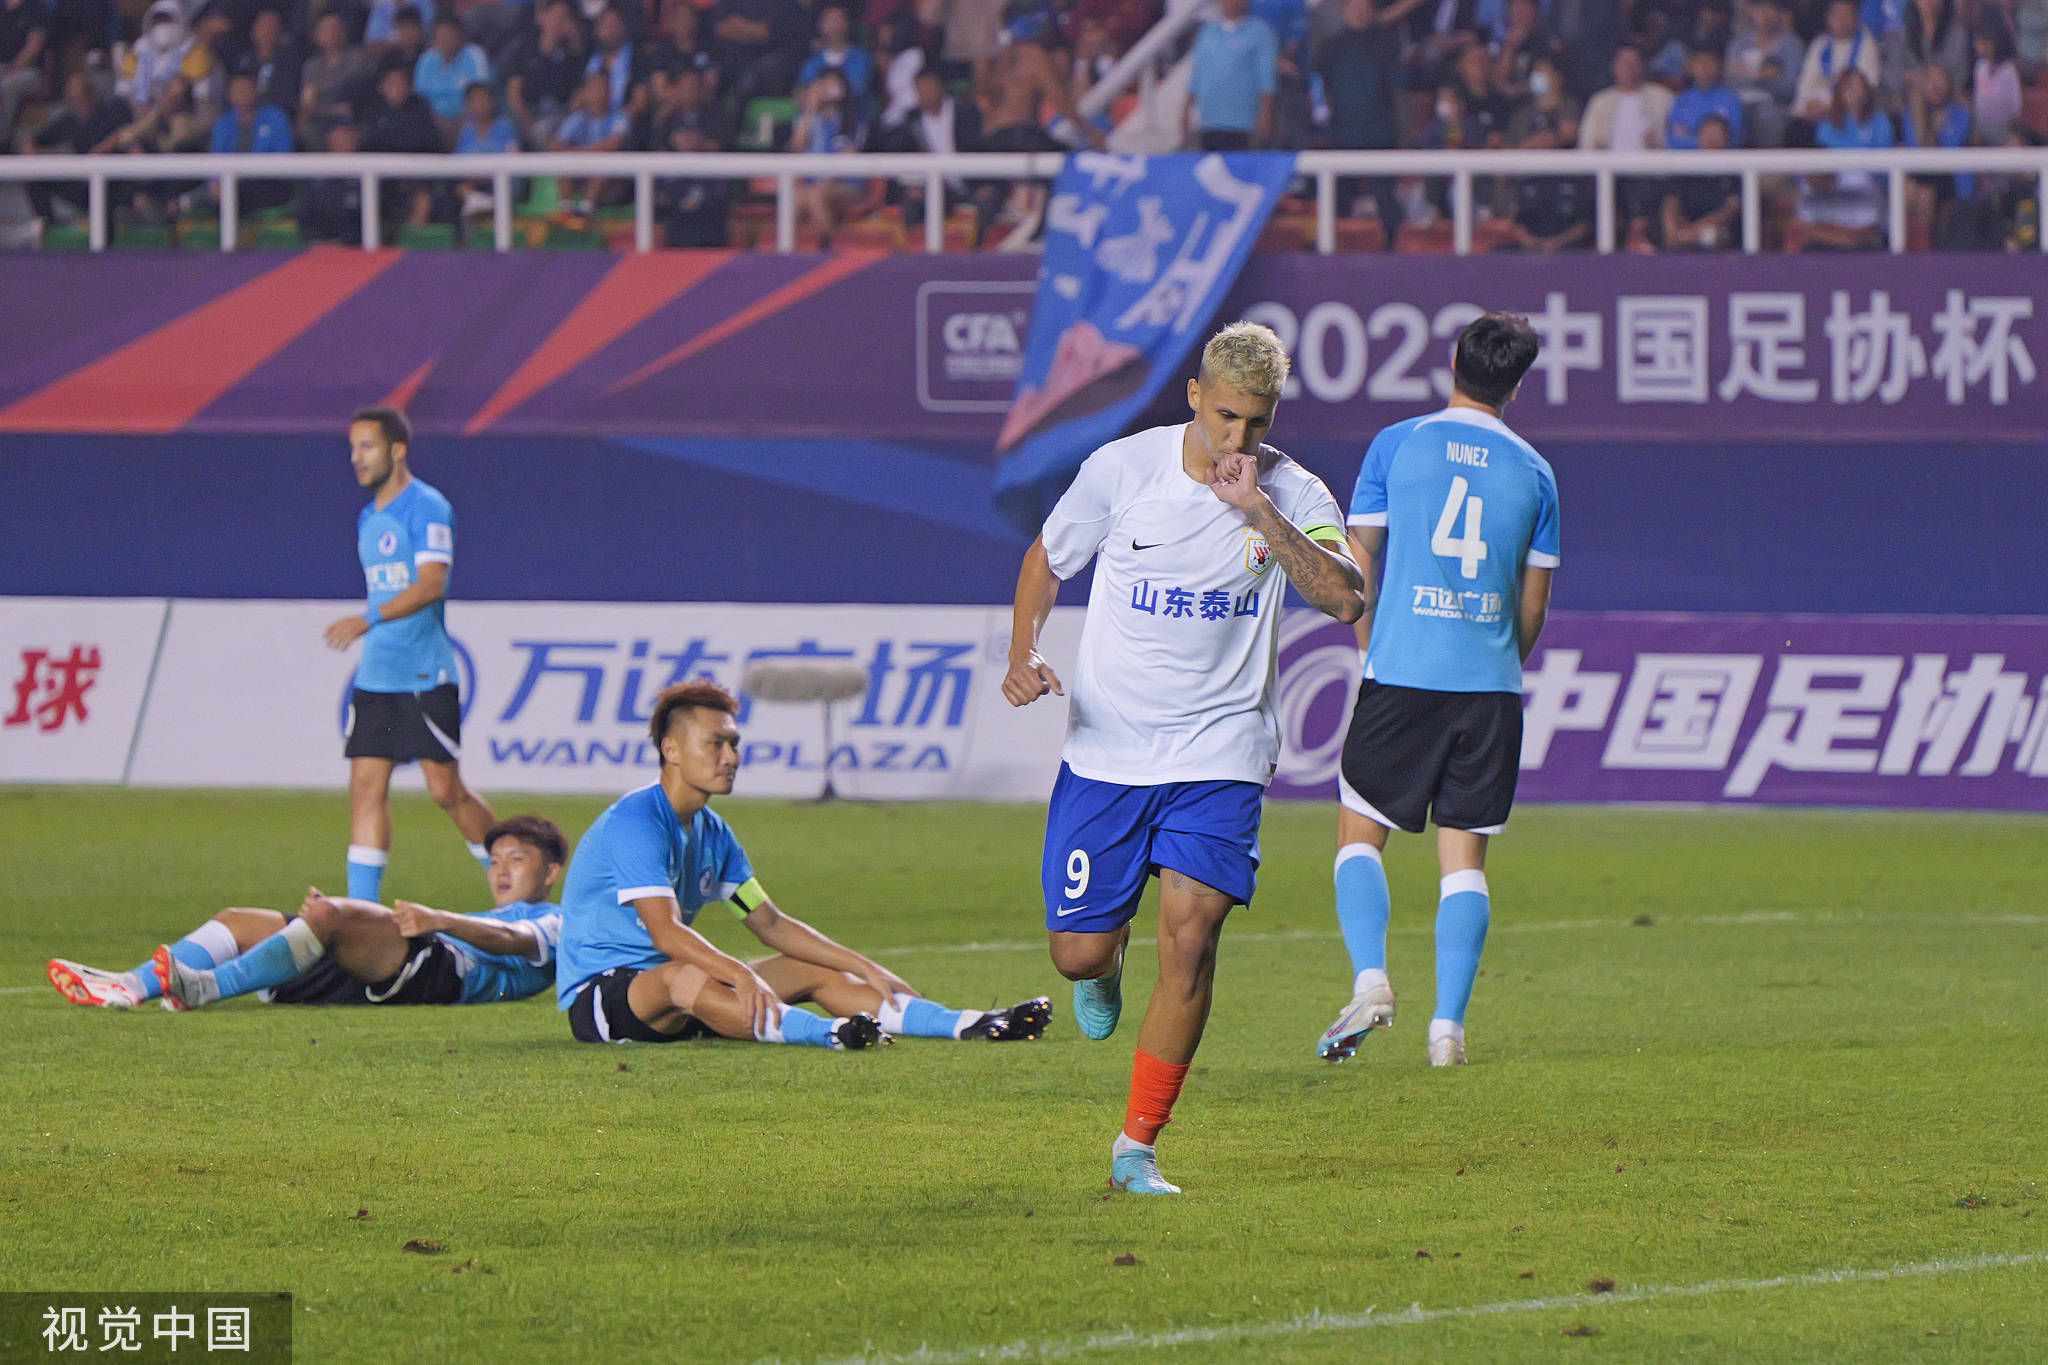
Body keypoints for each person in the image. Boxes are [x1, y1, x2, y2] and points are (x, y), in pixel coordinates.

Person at [1003, 322, 1365, 1196]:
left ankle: (1137, 1144)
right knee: (1077, 957)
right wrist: (1024, 654)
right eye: (1226, 415)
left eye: (1257, 422)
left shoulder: (1293, 491)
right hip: (1110, 749)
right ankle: (1107, 959)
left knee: (1193, 934)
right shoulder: (1123, 470)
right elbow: (1047, 561)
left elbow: (1347, 598)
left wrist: (1260, 512)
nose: (1237, 439)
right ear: (1195, 396)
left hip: (1223, 751)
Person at [557, 680, 1053, 1050]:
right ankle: (834, 1034)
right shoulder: (636, 821)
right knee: (682, 974)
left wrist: (863, 964)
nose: (731, 756)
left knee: (805, 967)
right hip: (607, 996)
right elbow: (666, 934)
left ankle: (972, 1022)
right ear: (671, 750)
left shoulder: (713, 833)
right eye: (716, 743)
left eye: (734, 744)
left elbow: (766, 920)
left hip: (685, 993)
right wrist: (738, 972)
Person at [1319, 312, 1559, 1071]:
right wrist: (1495, 660)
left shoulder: (1398, 445)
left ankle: (1371, 981)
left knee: (1361, 834)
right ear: (1516, 385)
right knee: (1465, 863)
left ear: (1451, 360)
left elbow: (1355, 571)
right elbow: (1532, 608)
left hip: (1403, 674)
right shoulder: (1536, 473)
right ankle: (1447, 1030)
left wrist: (1371, 647)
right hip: (1488, 689)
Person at [47, 814, 569, 1011]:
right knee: (239, 920)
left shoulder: (558, 918)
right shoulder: (479, 911)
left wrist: (441, 920)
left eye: (517, 859)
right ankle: (129, 986)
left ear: (551, 872)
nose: (501, 870)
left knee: (327, 915)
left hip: (447, 973)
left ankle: (200, 986)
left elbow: (513, 942)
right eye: (495, 859)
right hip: (410, 961)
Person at [322, 406, 498, 911]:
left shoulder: (427, 507)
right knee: (365, 786)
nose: (357, 458)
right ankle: (363, 912)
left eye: (367, 447)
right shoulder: (368, 517)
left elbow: (431, 584)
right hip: (377, 676)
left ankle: (512, 878)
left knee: (446, 792)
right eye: (353, 448)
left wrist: (368, 618)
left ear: (397, 450)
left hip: (424, 674)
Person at [1796, 66, 1893, 248]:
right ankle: (1839, 238)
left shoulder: (1880, 121)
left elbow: (1882, 167)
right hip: (1833, 185)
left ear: (1866, 89)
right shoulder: (1828, 124)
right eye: (1847, 86)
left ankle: (1860, 238)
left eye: (1857, 85)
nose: (1852, 90)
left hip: (1869, 187)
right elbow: (1821, 159)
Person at [1185, 0, 1278, 149]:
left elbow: (1266, 78)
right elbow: (1197, 74)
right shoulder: (1207, 32)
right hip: (1210, 121)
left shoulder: (1260, 32)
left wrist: (1266, 113)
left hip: (1243, 123)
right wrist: (1186, 108)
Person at [1660, 112, 1743, 247]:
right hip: (1683, 230)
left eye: (1716, 134)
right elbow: (1670, 203)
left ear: (1727, 138)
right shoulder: (1686, 167)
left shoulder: (1734, 172)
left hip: (1714, 233)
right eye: (1707, 133)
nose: (1711, 139)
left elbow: (1729, 210)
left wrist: (1693, 231)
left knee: (1715, 235)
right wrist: (1672, 229)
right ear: (1699, 137)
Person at [1795, 0, 1881, 123]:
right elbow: (1806, 83)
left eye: (1846, 15)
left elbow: (1867, 88)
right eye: (1837, 15)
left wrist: (1830, 107)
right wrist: (1808, 104)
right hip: (1813, 111)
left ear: (1856, 18)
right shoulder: (1819, 44)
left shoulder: (1867, 44)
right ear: (1829, 18)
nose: (1842, 21)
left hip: (1849, 116)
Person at [414, 14, 490, 124]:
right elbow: (419, 99)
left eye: (448, 35)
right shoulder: (426, 59)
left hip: (467, 121)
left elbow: (481, 96)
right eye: (440, 36)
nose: (443, 40)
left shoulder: (474, 55)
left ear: (460, 36)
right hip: (432, 123)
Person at [1668, 42, 1746, 148]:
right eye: (1699, 62)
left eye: (1709, 62)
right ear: (1691, 67)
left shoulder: (1731, 100)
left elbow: (1735, 139)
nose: (1704, 67)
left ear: (1718, 66)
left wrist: (1692, 136)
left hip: (1723, 162)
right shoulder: (1682, 100)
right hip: (1688, 162)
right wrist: (1704, 142)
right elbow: (1674, 139)